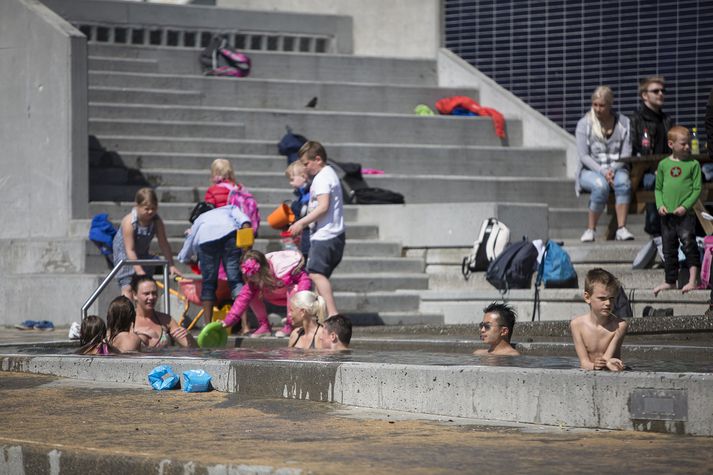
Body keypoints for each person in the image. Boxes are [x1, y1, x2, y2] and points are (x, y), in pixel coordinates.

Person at [287, 141, 345, 317]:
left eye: (306, 164)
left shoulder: (322, 178)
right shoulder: (330, 174)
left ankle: (333, 314)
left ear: (318, 159)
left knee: (315, 274)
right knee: (320, 278)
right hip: (335, 234)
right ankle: (321, 318)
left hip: (325, 235)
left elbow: (323, 206)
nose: (304, 169)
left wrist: (301, 223)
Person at [575, 86, 634, 242]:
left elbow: (626, 153)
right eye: (595, 105)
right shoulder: (584, 123)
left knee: (623, 183)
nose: (598, 109)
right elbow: (583, 155)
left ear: (610, 105)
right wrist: (603, 171)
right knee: (601, 186)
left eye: (602, 105)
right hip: (591, 169)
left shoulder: (623, 122)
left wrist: (612, 170)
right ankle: (590, 229)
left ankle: (621, 228)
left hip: (618, 167)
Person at [177, 205, 251, 325]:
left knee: (209, 284)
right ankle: (245, 326)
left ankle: (207, 325)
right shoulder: (228, 208)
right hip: (230, 235)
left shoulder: (200, 219)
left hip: (207, 242)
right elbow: (244, 220)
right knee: (236, 281)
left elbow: (191, 240)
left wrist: (184, 258)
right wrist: (246, 240)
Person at [653, 125, 702, 296]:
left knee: (689, 245)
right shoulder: (663, 165)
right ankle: (670, 281)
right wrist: (660, 205)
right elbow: (658, 188)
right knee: (668, 248)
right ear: (671, 144)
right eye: (683, 144)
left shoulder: (693, 164)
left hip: (684, 215)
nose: (687, 147)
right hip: (667, 215)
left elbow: (697, 189)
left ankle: (693, 280)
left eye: (688, 143)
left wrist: (685, 206)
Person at [222, 249, 312, 338]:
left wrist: (300, 302)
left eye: (254, 276)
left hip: (293, 297)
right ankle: (264, 326)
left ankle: (290, 324)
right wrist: (227, 322)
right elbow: (241, 300)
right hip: (274, 295)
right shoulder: (252, 280)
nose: (252, 279)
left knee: (294, 288)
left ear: (262, 269)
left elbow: (305, 280)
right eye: (249, 276)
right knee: (249, 293)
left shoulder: (282, 267)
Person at [113, 188, 182, 298]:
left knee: (145, 287)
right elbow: (129, 249)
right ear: (137, 206)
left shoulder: (156, 221)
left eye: (153, 208)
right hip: (125, 254)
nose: (150, 212)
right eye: (146, 209)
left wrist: (171, 265)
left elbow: (163, 244)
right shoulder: (129, 222)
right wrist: (139, 271)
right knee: (128, 286)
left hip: (142, 253)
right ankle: (127, 311)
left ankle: (141, 312)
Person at [570, 268, 628, 371]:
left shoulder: (619, 326)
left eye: (611, 298)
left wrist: (607, 363)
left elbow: (607, 359)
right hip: (590, 371)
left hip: (612, 371)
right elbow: (584, 363)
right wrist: (594, 366)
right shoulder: (577, 325)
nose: (608, 303)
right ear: (587, 297)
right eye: (602, 298)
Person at [131, 275, 196, 348]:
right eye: (146, 294)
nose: (151, 297)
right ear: (134, 295)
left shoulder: (166, 320)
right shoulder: (128, 321)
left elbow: (192, 349)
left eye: (154, 293)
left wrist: (189, 338)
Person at [630, 76, 673, 157]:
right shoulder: (635, 119)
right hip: (645, 167)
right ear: (644, 95)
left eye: (663, 91)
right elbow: (632, 149)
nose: (661, 94)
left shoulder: (667, 120)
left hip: (667, 166)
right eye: (656, 91)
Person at [285, 160, 311, 258]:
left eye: (292, 179)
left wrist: (295, 208)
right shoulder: (301, 195)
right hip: (303, 236)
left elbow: (306, 213)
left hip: (308, 236)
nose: (290, 183)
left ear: (303, 177)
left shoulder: (309, 195)